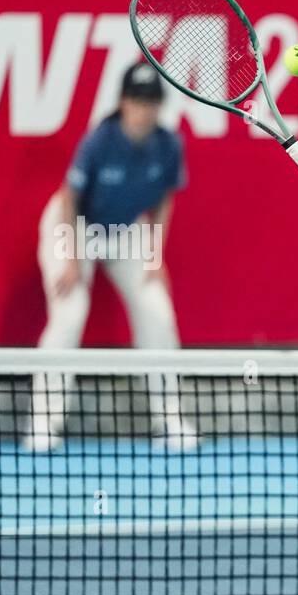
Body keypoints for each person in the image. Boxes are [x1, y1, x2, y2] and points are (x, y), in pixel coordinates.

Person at [24, 61, 197, 451]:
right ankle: (43, 423)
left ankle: (169, 418)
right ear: (122, 102)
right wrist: (70, 258)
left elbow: (165, 200)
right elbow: (69, 199)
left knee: (157, 312)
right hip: (75, 225)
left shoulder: (169, 145)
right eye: (138, 100)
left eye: (152, 101)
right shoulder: (99, 141)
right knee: (70, 312)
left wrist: (155, 254)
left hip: (126, 230)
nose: (145, 109)